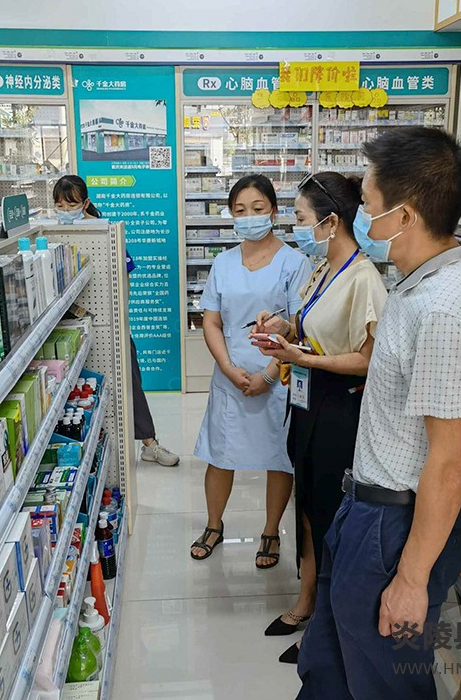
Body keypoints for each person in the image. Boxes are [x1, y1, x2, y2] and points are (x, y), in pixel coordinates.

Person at [296, 128, 461, 699]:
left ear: (405, 215)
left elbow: (450, 463)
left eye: (366, 204)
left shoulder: (445, 310)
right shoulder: (416, 285)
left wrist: (410, 579)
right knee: (328, 669)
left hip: (396, 529)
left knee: (383, 683)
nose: (359, 216)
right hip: (367, 510)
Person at [254, 172, 387, 664]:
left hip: (340, 410)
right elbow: (310, 325)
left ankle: (329, 631)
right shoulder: (321, 268)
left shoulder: (363, 278)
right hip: (308, 403)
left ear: (331, 222)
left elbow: (369, 359)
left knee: (332, 515)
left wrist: (302, 357)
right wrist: (283, 328)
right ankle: (306, 601)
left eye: (301, 217)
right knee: (309, 507)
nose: (296, 226)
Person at [190, 175, 312, 568]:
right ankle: (213, 525)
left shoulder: (295, 263)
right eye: (240, 210)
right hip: (230, 376)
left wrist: (269, 375)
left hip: (277, 378)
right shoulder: (223, 263)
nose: (249, 217)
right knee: (220, 454)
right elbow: (211, 321)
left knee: (279, 457)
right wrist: (228, 367)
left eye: (257, 209)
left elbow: (299, 327)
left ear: (273, 212)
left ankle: (271, 531)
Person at [52, 175, 180, 467]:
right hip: (66, 325)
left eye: (71, 204)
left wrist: (120, 320)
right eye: (59, 205)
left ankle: (150, 444)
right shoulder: (50, 234)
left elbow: (125, 278)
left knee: (129, 380)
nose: (65, 211)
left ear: (85, 202)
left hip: (108, 321)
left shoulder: (106, 231)